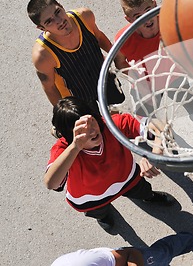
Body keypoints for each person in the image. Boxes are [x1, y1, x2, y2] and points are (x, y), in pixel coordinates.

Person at [44, 96, 176, 232]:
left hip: (127, 178)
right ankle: (103, 216)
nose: (92, 131)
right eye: (82, 131)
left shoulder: (112, 125)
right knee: (99, 211)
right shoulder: (65, 150)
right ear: (69, 136)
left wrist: (153, 156)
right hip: (91, 199)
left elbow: (159, 127)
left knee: (142, 190)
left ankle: (149, 197)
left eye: (91, 122)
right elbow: (51, 183)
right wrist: (76, 147)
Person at [28, 0, 129, 107]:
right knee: (94, 123)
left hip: (103, 76)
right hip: (77, 97)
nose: (59, 21)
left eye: (57, 12)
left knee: (117, 111)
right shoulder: (43, 55)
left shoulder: (84, 17)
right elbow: (49, 88)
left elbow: (99, 37)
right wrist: (63, 112)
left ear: (61, 6)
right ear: (42, 28)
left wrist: (117, 57)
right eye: (49, 21)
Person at [51, 232, 193, 265]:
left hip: (129, 261)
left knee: (162, 254)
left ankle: (192, 240)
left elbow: (129, 254)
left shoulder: (83, 264)